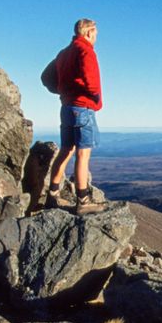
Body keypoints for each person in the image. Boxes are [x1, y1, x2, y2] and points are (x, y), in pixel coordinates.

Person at [47, 18, 107, 214]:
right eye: (96, 32)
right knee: (83, 154)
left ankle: (52, 195)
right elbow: (91, 79)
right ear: (89, 32)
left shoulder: (64, 53)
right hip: (83, 107)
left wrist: (62, 91)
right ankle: (83, 200)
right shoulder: (85, 50)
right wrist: (95, 96)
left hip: (67, 107)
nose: (96, 36)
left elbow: (45, 77)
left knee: (66, 150)